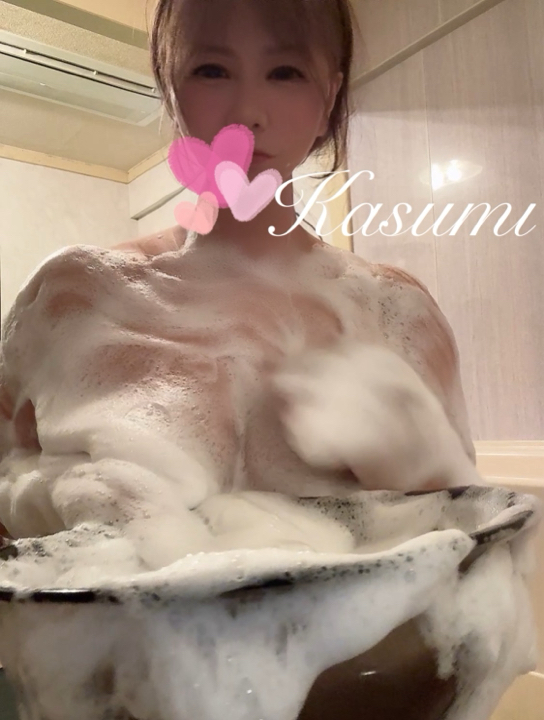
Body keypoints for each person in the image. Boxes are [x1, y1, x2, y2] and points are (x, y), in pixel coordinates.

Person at [0, 0, 480, 552]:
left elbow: (474, 543)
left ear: (327, 100)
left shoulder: (399, 313)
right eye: (212, 70)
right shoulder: (72, 299)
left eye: (285, 72)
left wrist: (423, 470)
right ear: (171, 89)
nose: (247, 112)